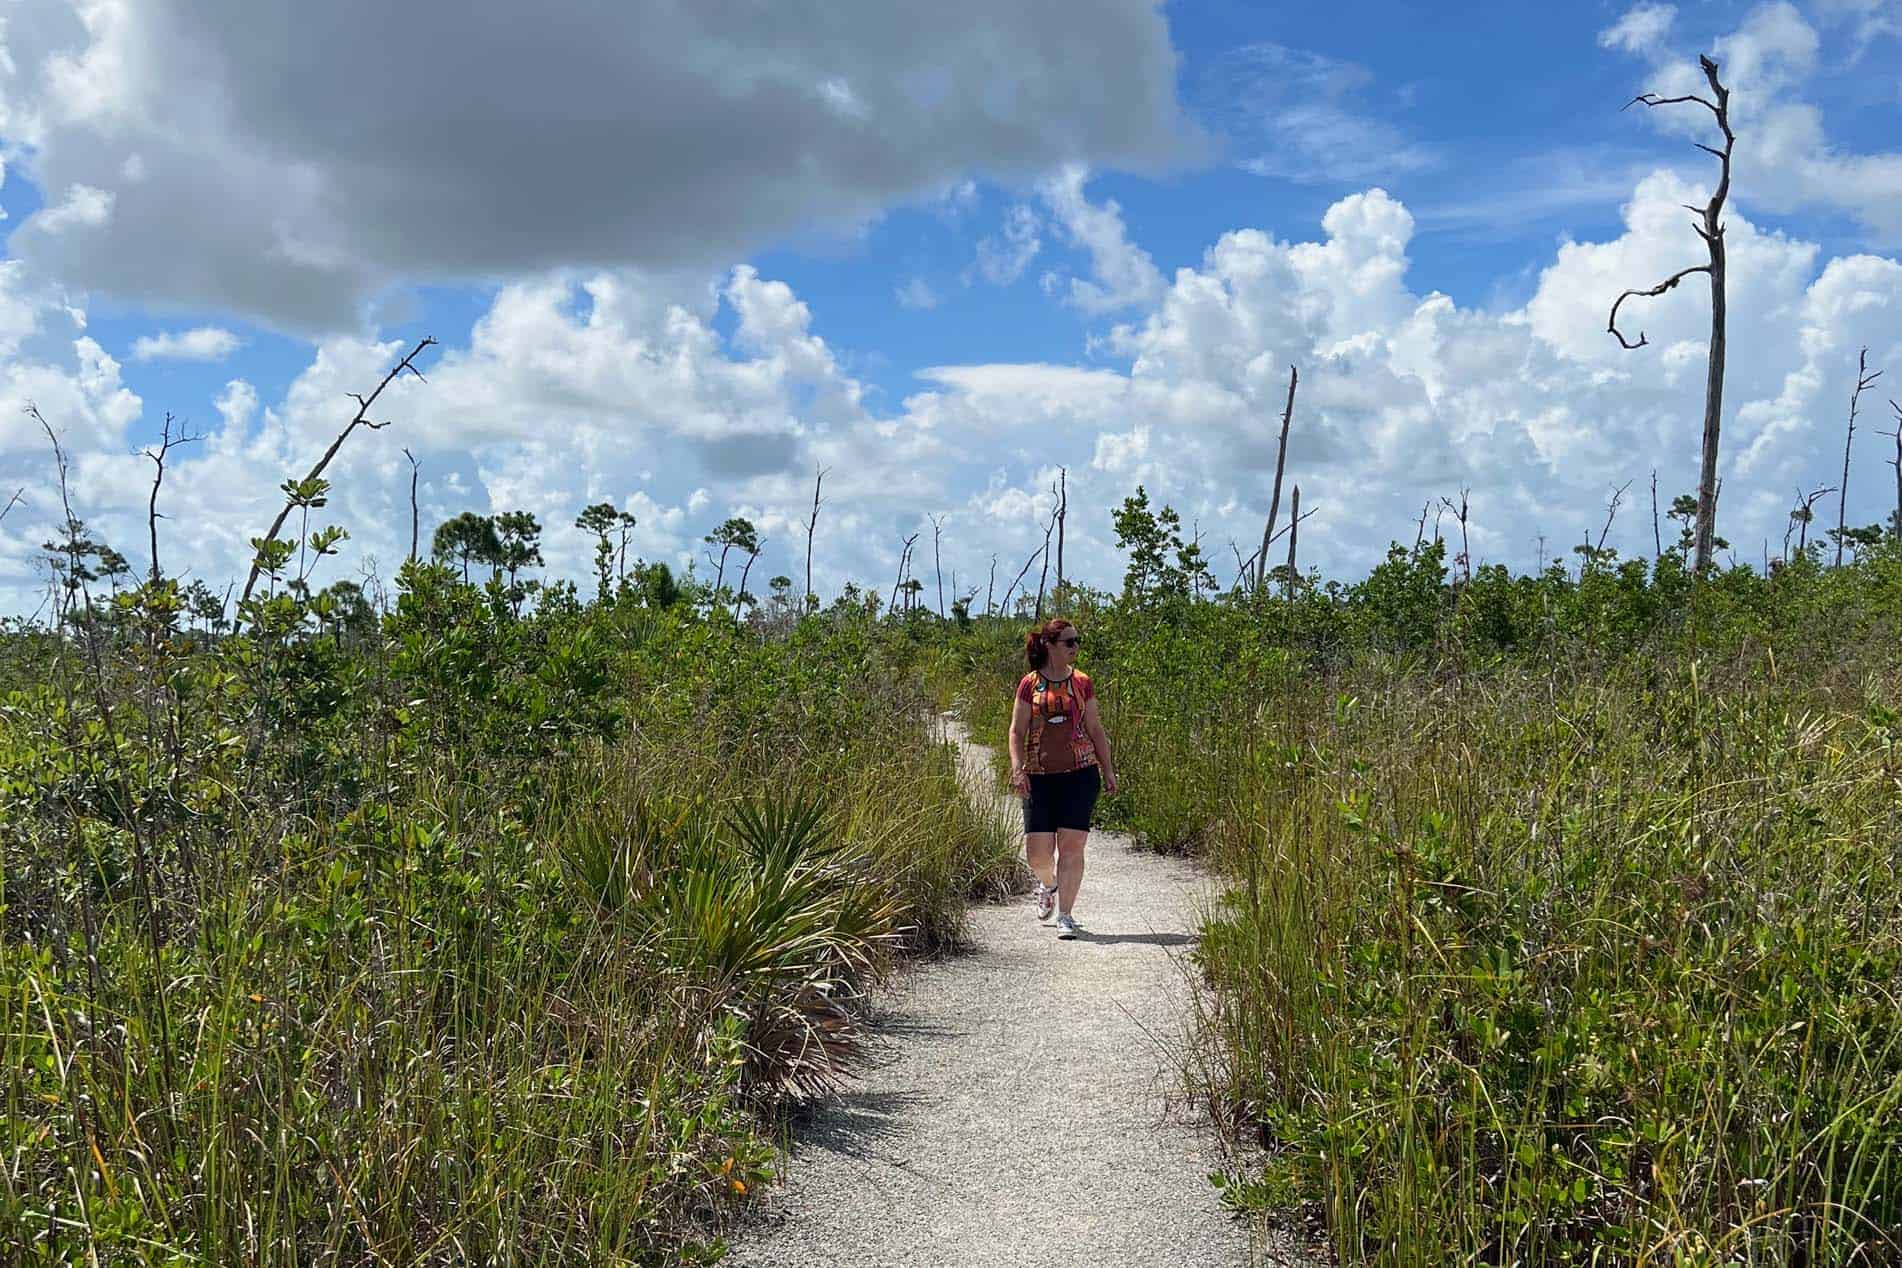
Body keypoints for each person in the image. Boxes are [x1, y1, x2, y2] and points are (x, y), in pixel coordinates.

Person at [1009, 617, 1118, 939]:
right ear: (1049, 646)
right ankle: (1048, 884)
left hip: (1080, 774)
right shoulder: (1030, 684)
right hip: (1039, 776)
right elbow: (1017, 730)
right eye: (1069, 642)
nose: (1075, 647)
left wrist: (1107, 768)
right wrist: (1017, 767)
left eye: (1077, 641)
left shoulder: (1083, 682)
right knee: (1038, 853)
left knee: (1072, 847)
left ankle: (1066, 915)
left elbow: (1095, 728)